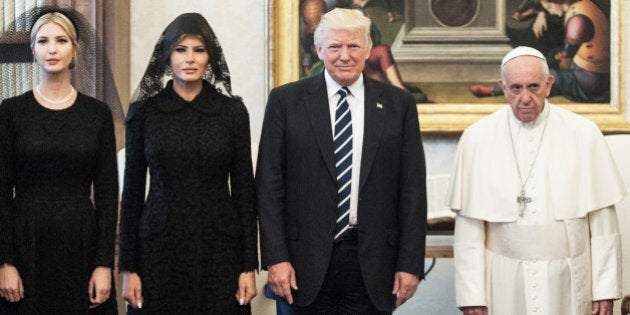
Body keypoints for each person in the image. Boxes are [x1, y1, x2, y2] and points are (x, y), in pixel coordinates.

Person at [257, 8, 427, 314]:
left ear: (368, 50)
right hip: (301, 264)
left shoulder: (398, 105)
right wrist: (276, 258)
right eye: (335, 47)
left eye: (353, 46)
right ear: (319, 50)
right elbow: (269, 186)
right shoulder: (286, 102)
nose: (344, 56)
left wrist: (410, 264)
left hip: (374, 265)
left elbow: (412, 190)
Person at [448, 46, 625, 315]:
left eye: (534, 86)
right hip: (503, 282)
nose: (525, 98)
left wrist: (604, 289)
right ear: (502, 87)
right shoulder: (477, 138)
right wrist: (472, 296)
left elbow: (603, 224)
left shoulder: (583, 133)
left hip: (569, 279)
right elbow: (469, 229)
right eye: (515, 88)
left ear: (549, 84)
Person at [118, 13, 258, 314]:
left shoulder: (232, 112)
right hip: (158, 247)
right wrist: (128, 268)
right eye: (180, 49)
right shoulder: (145, 112)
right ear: (167, 57)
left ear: (210, 57)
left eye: (199, 49)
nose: (189, 58)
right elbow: (131, 195)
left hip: (221, 248)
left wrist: (249, 266)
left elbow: (245, 192)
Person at [0, 8, 119, 314]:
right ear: (33, 51)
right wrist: (5, 262)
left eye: (61, 40)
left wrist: (104, 264)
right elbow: (1, 192)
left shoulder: (97, 114)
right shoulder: (11, 112)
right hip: (26, 244)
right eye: (43, 41)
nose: (52, 49)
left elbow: (107, 195)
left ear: (75, 49)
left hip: (81, 244)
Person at [471, 0, 610, 103]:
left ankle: (494, 91)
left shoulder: (577, 19)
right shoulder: (583, 7)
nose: (548, 9)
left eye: (548, 5)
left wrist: (543, 64)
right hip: (589, 71)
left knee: (536, 76)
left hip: (588, 80)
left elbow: (566, 60)